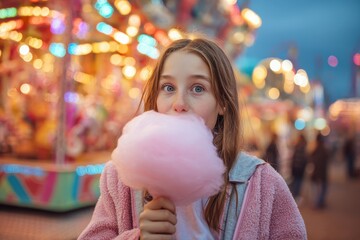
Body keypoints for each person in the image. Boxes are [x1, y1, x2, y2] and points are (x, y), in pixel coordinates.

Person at [78, 37, 306, 239]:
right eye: (168, 87)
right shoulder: (120, 179)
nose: (179, 104)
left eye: (197, 89)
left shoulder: (262, 184)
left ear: (223, 103)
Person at [309, 133, 329, 209]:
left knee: (317, 189)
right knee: (321, 188)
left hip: (317, 172)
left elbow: (312, 159)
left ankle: (318, 202)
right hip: (321, 173)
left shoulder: (316, 149)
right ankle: (319, 202)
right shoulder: (323, 149)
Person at [290, 133, 308, 203]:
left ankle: (294, 195)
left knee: (295, 181)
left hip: (295, 167)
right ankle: (296, 196)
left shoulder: (297, 146)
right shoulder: (304, 146)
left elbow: (294, 157)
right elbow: (305, 159)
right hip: (300, 168)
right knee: (299, 182)